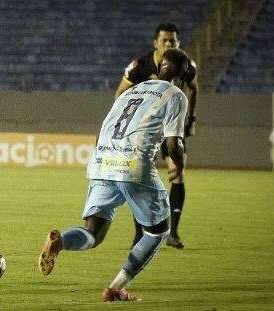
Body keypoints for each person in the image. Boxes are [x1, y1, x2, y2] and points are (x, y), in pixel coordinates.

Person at [39, 48, 190, 302]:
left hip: (102, 159)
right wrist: (179, 162)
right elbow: (174, 144)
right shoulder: (176, 95)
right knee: (158, 232)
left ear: (160, 66)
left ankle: (61, 242)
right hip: (133, 163)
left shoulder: (131, 90)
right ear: (182, 75)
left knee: (93, 233)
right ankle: (115, 288)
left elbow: (104, 128)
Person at [114, 23, 199, 249]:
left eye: (173, 41)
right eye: (165, 40)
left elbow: (194, 88)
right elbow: (120, 93)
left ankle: (173, 232)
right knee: (139, 179)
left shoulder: (186, 65)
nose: (169, 44)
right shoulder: (140, 66)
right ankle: (139, 233)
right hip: (145, 131)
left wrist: (191, 119)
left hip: (170, 127)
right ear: (155, 43)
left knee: (177, 175)